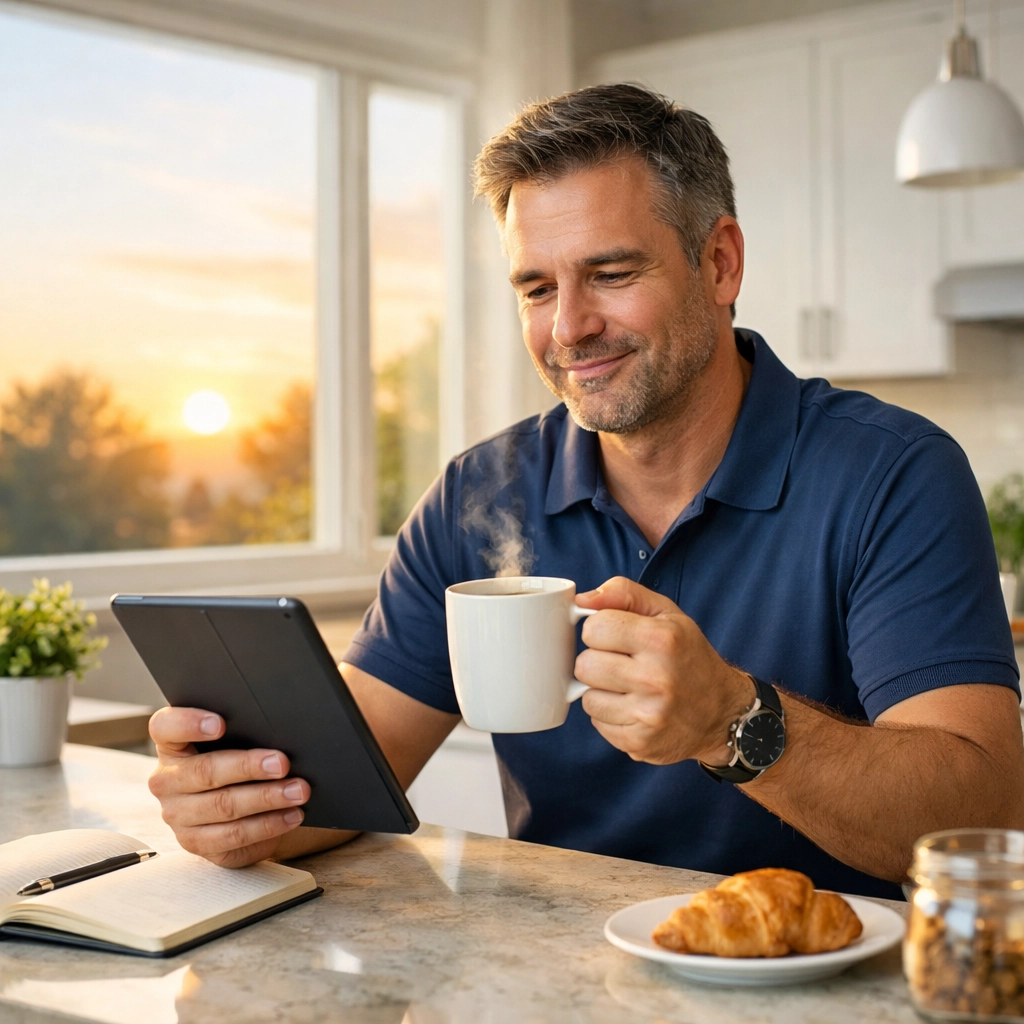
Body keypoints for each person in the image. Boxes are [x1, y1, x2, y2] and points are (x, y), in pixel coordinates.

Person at [148, 84, 1024, 900]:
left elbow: (986, 816)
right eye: (537, 287)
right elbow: (348, 780)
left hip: (814, 974)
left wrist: (734, 719)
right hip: (556, 978)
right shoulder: (477, 494)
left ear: (719, 263)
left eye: (611, 274)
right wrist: (236, 805)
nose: (569, 327)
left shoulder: (891, 474)